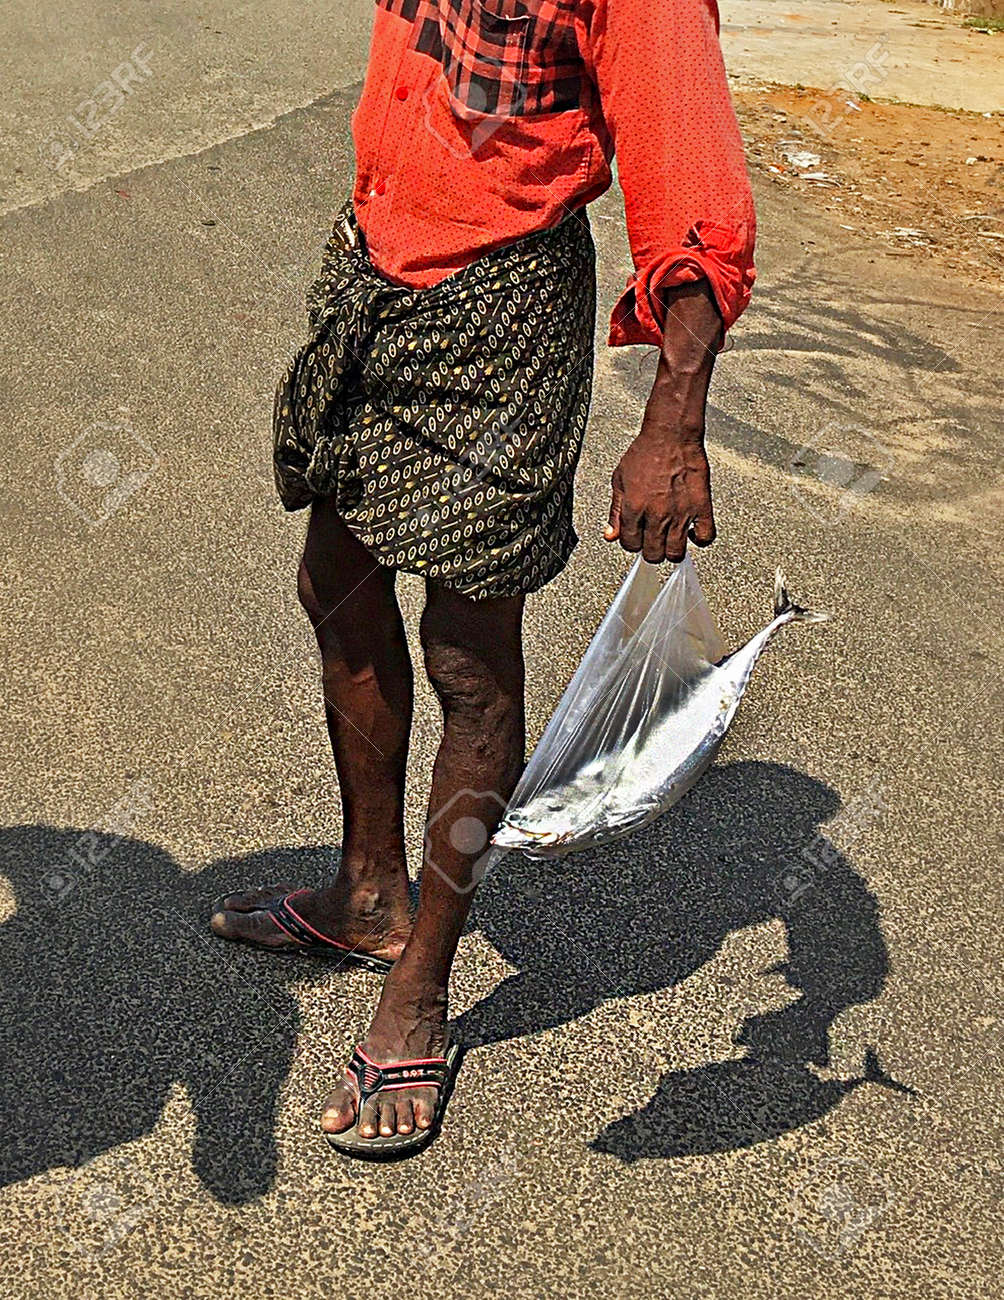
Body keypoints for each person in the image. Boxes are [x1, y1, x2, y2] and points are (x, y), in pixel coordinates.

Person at [211, 0, 755, 1157]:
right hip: (370, 267)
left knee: (467, 654)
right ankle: (368, 893)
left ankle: (420, 983)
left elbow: (693, 186)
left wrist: (673, 423)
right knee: (335, 585)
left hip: (499, 308)